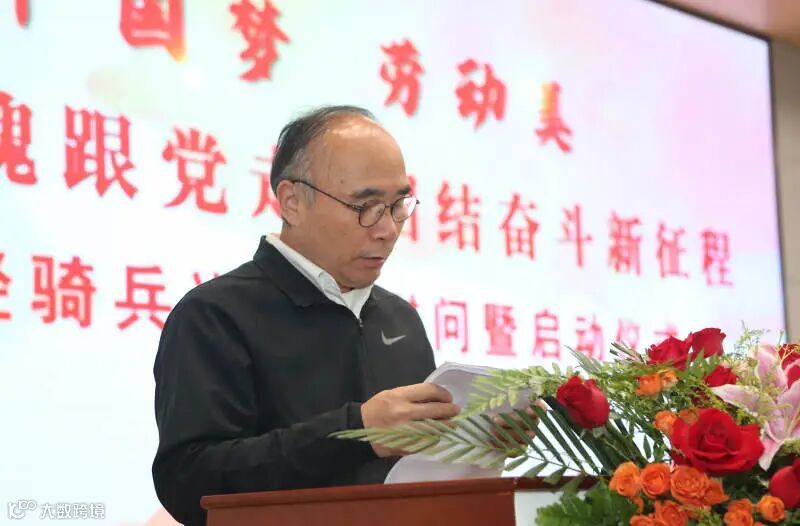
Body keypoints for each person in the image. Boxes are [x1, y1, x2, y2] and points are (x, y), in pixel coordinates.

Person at [151, 106, 461, 525]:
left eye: (398, 205)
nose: (388, 229)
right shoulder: (215, 315)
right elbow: (189, 481)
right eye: (366, 205)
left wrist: (479, 440)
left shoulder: (400, 319)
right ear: (292, 202)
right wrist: (356, 431)